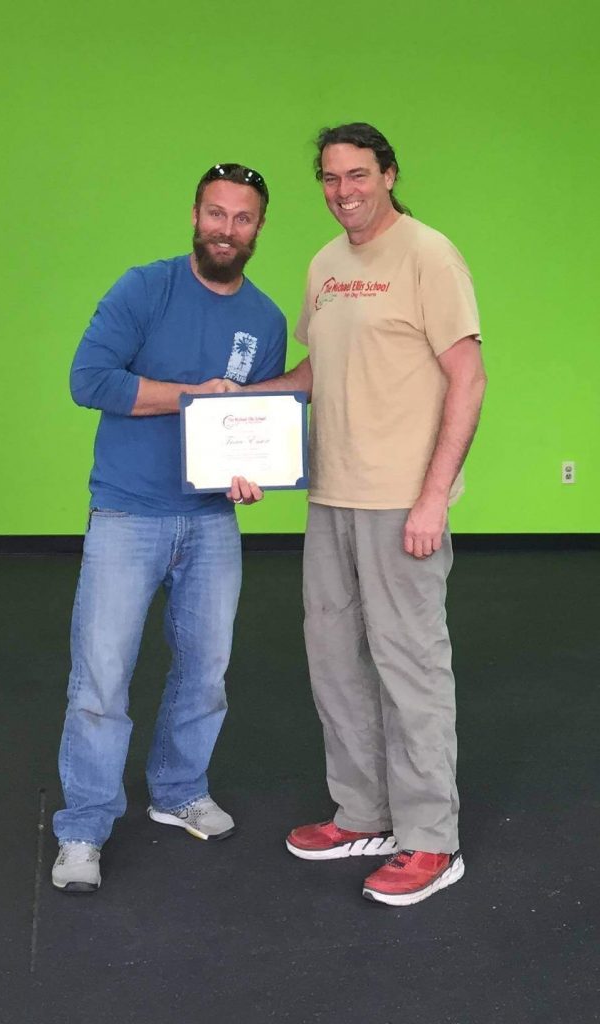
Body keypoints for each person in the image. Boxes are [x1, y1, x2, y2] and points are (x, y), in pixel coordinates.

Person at [236, 123, 487, 906]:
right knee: (336, 665)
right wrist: (241, 408)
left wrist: (433, 497)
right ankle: (364, 814)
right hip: (331, 497)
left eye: (356, 174)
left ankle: (429, 840)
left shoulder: (427, 254)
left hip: (398, 502)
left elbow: (468, 378)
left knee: (410, 668)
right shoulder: (324, 263)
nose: (342, 190)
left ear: (387, 174)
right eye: (328, 177)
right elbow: (318, 368)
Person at [51, 163, 286, 893]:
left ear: (258, 228)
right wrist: (192, 395)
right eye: (215, 214)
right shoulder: (143, 287)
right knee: (100, 680)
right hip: (127, 512)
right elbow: (88, 381)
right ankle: (84, 828)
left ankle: (178, 789)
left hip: (211, 519)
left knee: (205, 672)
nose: (226, 229)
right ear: (194, 215)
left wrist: (249, 471)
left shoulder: (266, 320)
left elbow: (247, 426)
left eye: (241, 218)